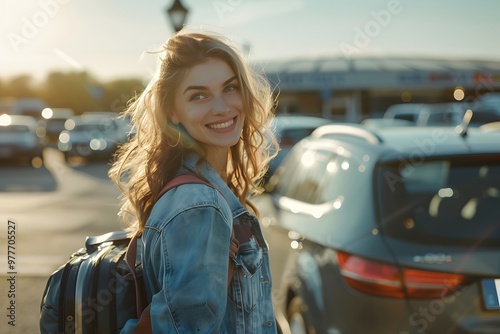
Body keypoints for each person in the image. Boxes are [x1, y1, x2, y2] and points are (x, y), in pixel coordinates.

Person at [108, 29, 279, 333]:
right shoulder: (200, 205)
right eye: (199, 96)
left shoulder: (192, 187)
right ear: (172, 112)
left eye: (230, 88)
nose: (223, 107)